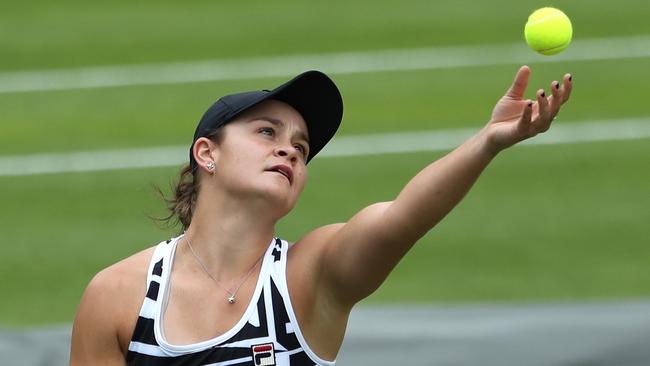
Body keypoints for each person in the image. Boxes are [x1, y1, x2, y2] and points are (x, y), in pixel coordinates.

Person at [70, 66, 572, 365]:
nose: (289, 151)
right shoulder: (118, 297)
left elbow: (403, 217)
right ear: (208, 153)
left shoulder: (310, 276)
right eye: (267, 132)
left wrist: (486, 143)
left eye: (301, 147)